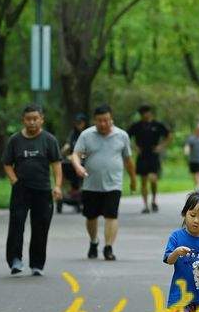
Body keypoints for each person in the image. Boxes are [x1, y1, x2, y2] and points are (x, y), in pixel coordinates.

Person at [3, 104, 63, 276]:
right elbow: (7, 163)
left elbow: (56, 165)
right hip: (21, 189)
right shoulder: (15, 140)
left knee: (41, 227)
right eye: (28, 119)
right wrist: (14, 180)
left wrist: (57, 186)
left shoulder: (49, 140)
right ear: (23, 120)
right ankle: (15, 260)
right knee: (16, 224)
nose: (32, 122)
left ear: (41, 120)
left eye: (35, 119)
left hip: (43, 190)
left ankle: (37, 264)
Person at [71, 105, 137, 261]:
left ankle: (108, 247)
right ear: (95, 120)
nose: (103, 124)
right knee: (91, 217)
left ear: (111, 119)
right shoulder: (86, 135)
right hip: (91, 184)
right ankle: (94, 241)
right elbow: (76, 154)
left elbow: (128, 160)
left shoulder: (122, 136)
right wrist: (77, 166)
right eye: (99, 121)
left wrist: (133, 179)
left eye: (106, 120)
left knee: (111, 215)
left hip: (114, 184)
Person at [128, 105, 172, 213]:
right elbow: (126, 136)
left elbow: (169, 135)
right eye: (142, 114)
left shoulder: (157, 125)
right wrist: (134, 147)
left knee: (153, 179)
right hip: (142, 155)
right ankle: (145, 205)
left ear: (150, 113)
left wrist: (161, 146)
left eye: (146, 113)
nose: (145, 115)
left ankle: (154, 200)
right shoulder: (137, 126)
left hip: (153, 155)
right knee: (143, 181)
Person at [58, 113, 88, 213]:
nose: (78, 125)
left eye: (80, 123)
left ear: (84, 123)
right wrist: (62, 152)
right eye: (77, 123)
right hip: (72, 161)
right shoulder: (73, 134)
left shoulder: (88, 133)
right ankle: (70, 192)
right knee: (64, 165)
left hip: (85, 160)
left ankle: (79, 192)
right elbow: (68, 145)